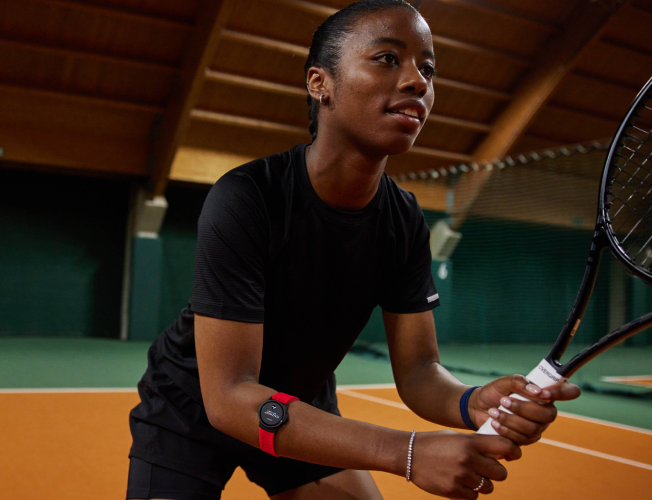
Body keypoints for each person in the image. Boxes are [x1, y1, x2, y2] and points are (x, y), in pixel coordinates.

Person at [127, 1, 580, 499]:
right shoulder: (247, 197)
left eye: (427, 69)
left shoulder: (404, 220)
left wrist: (473, 402)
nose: (417, 82)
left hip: (299, 408)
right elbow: (232, 397)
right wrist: (406, 453)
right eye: (388, 58)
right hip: (192, 411)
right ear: (320, 83)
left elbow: (418, 371)